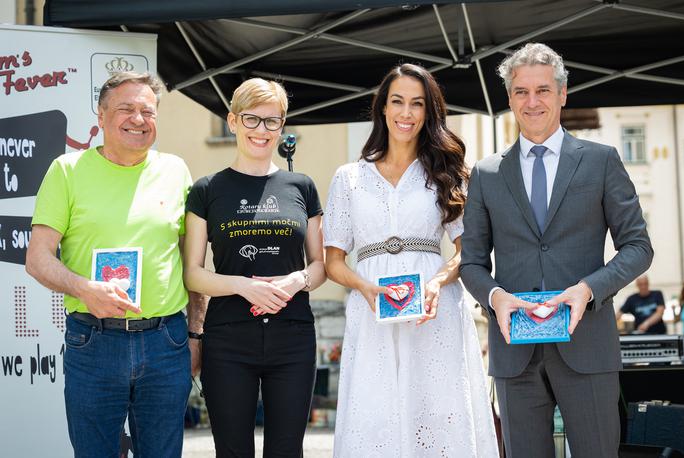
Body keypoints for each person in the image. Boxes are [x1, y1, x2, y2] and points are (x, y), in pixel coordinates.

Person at [460, 42, 653, 458]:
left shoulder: (602, 161)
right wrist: (495, 298)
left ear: (563, 94)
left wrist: (588, 288)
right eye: (522, 92)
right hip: (515, 352)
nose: (533, 102)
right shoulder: (486, 173)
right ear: (509, 97)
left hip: (588, 344)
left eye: (543, 90)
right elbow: (472, 262)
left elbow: (638, 247)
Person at [323, 63, 498, 457]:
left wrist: (436, 283)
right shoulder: (348, 178)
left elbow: (467, 249)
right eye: (397, 102)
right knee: (375, 415)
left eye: (417, 104)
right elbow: (333, 261)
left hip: (435, 312)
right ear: (382, 108)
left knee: (438, 412)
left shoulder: (447, 172)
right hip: (371, 313)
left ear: (428, 112)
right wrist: (363, 286)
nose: (406, 113)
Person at [26, 72, 200, 457]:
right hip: (93, 342)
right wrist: (85, 289)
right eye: (126, 109)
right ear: (101, 117)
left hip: (165, 341)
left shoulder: (176, 172)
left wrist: (195, 335)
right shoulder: (67, 171)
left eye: (147, 111)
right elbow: (37, 259)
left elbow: (194, 263)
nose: (138, 119)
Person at [183, 78, 326, 458]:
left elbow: (320, 265)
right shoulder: (206, 189)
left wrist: (296, 280)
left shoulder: (302, 186)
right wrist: (245, 286)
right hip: (228, 338)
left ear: (282, 126)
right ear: (232, 121)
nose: (261, 130)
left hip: (293, 336)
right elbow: (192, 274)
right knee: (232, 451)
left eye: (272, 121)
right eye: (251, 119)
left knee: (286, 450)